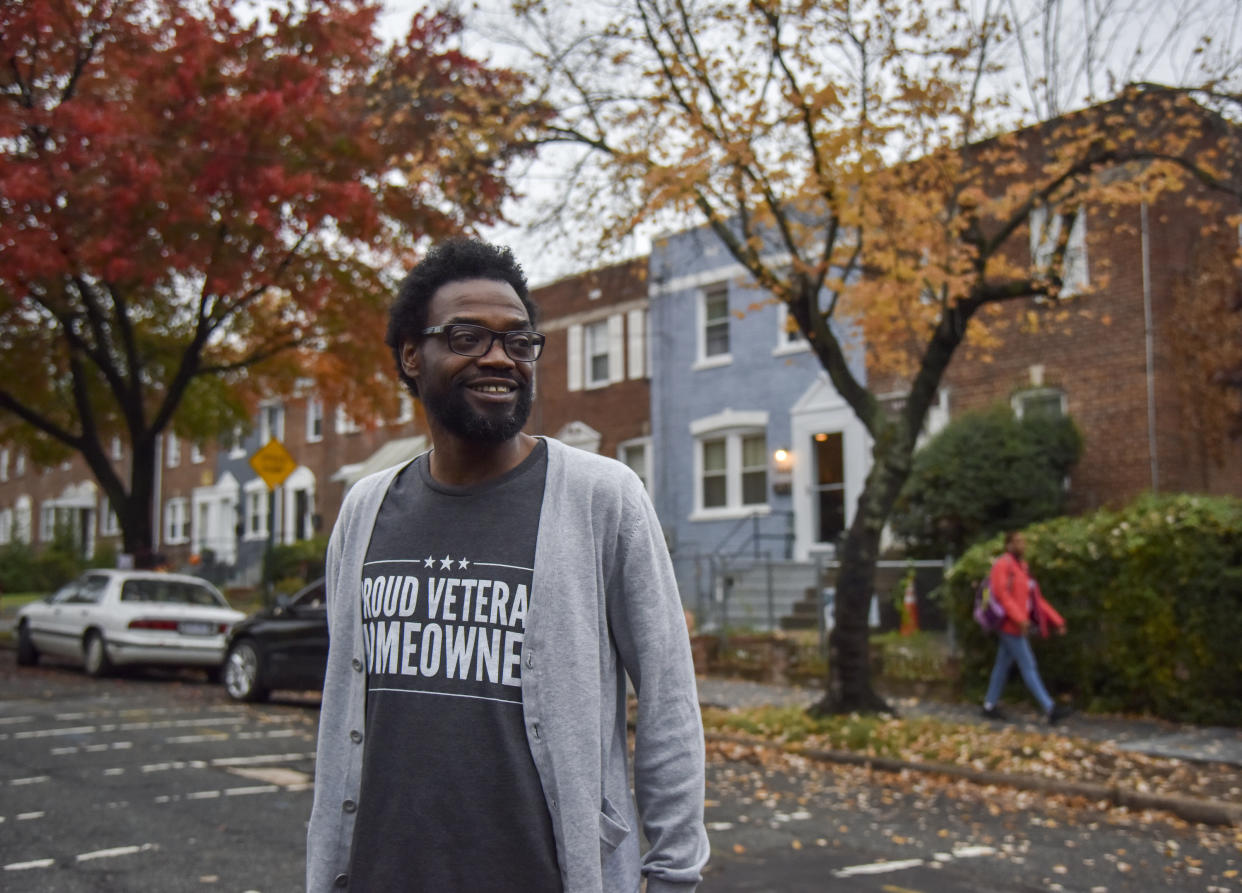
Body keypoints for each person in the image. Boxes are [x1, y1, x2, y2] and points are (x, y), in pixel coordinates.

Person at [306, 239, 709, 892]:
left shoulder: (601, 497)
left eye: (519, 342)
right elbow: (344, 715)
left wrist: (672, 876)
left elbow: (668, 704)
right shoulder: (364, 511)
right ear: (412, 353)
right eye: (468, 337)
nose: (500, 358)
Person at [980, 531, 1071, 725]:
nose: (1023, 545)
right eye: (1018, 542)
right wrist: (1020, 620)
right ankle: (1049, 708)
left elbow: (1036, 600)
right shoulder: (1003, 565)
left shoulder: (1022, 568)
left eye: (1024, 541)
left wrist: (1057, 620)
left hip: (1017, 626)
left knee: (1002, 665)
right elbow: (1003, 596)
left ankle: (989, 705)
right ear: (1009, 545)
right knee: (1028, 665)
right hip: (1008, 625)